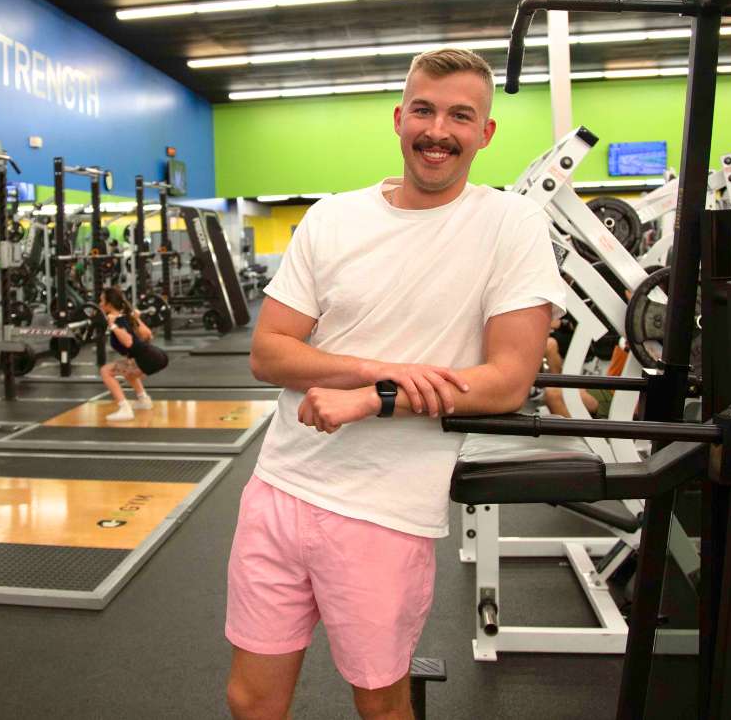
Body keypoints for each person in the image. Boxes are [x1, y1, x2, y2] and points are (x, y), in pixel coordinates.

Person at [225, 48, 565, 720]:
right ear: (399, 117)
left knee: (382, 704)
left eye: (460, 116)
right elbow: (268, 353)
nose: (438, 130)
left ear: (486, 132)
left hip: (384, 510)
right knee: (249, 701)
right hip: (279, 488)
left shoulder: (511, 225)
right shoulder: (333, 218)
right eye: (424, 110)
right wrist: (378, 372)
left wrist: (365, 402)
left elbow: (505, 381)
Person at [97, 285, 168, 421]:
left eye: (102, 301)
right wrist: (136, 318)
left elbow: (128, 342)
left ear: (109, 304)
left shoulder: (117, 321)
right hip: (157, 356)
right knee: (129, 372)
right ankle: (144, 400)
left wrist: (113, 326)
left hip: (147, 357)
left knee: (105, 371)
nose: (100, 304)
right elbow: (148, 335)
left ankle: (124, 409)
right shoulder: (126, 317)